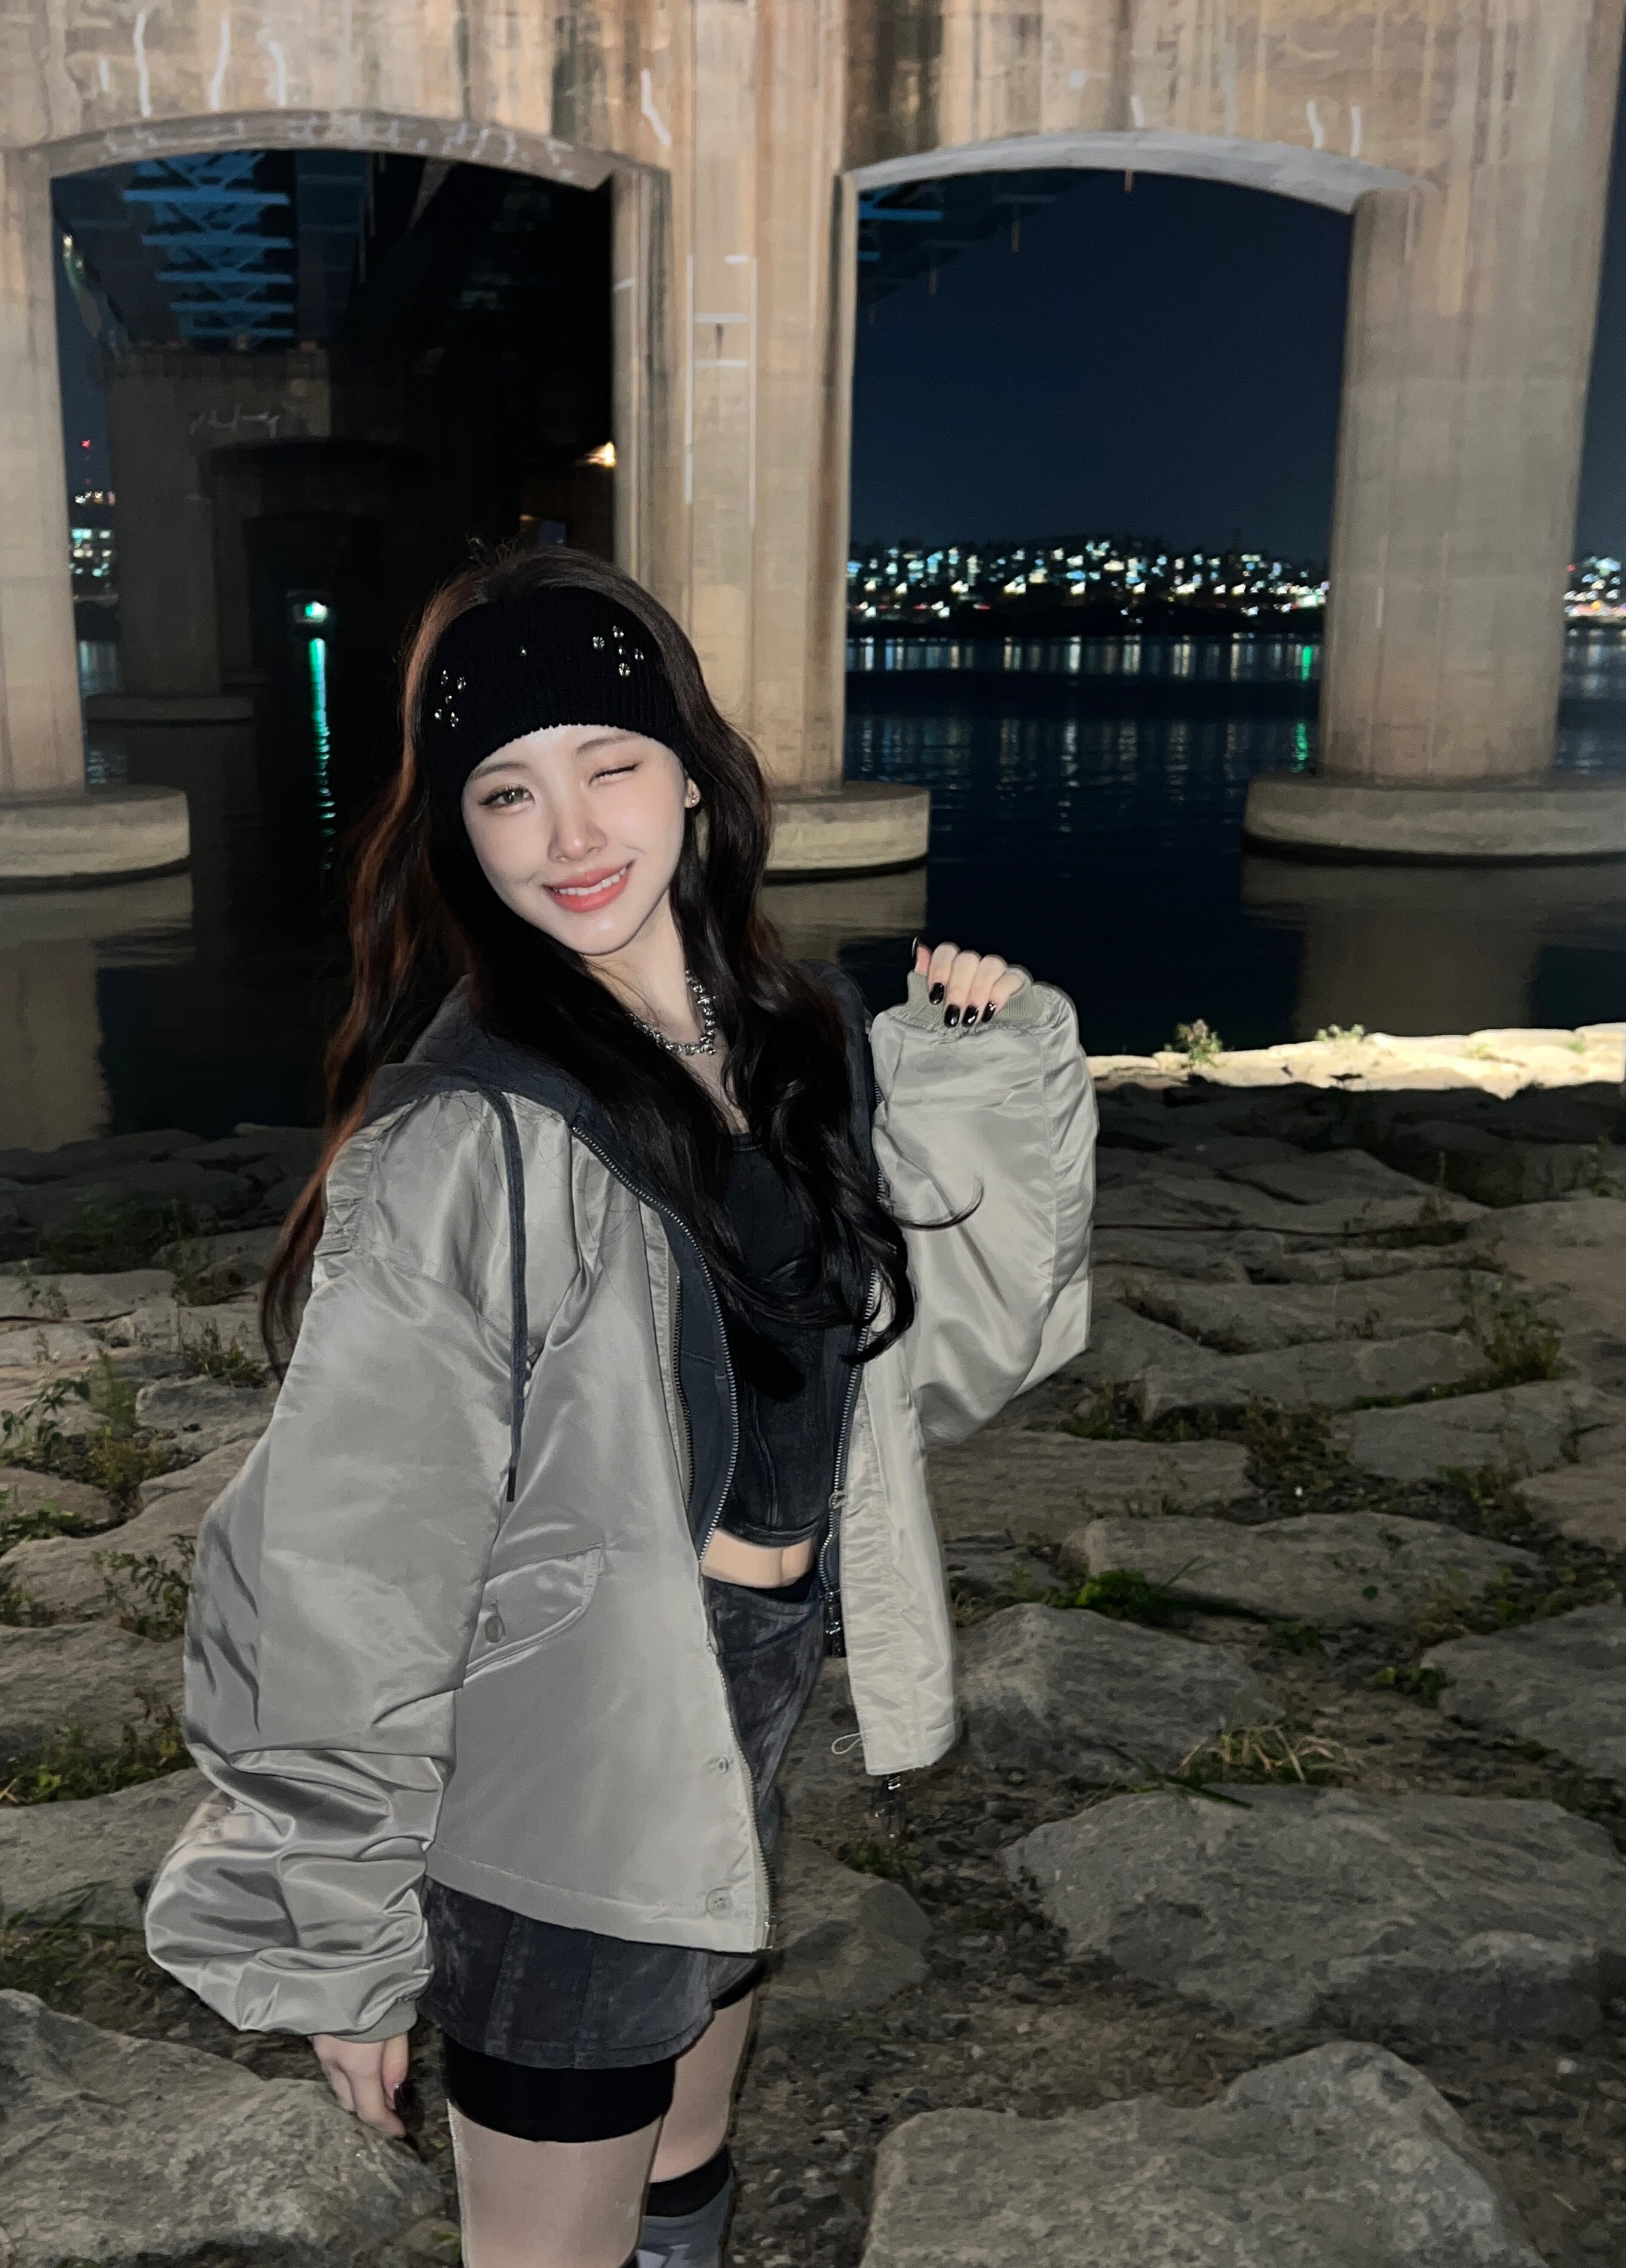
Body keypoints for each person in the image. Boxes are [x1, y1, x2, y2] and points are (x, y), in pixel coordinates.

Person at [144, 545, 1096, 2268]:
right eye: (507, 792)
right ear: (460, 832)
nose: (570, 833)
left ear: (692, 779)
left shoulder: (794, 1042)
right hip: (562, 1754)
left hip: (746, 1695)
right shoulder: (470, 1133)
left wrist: (979, 1081)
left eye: (610, 764)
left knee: (688, 2149)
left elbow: (933, 1374)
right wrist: (335, 1926)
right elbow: (353, 1554)